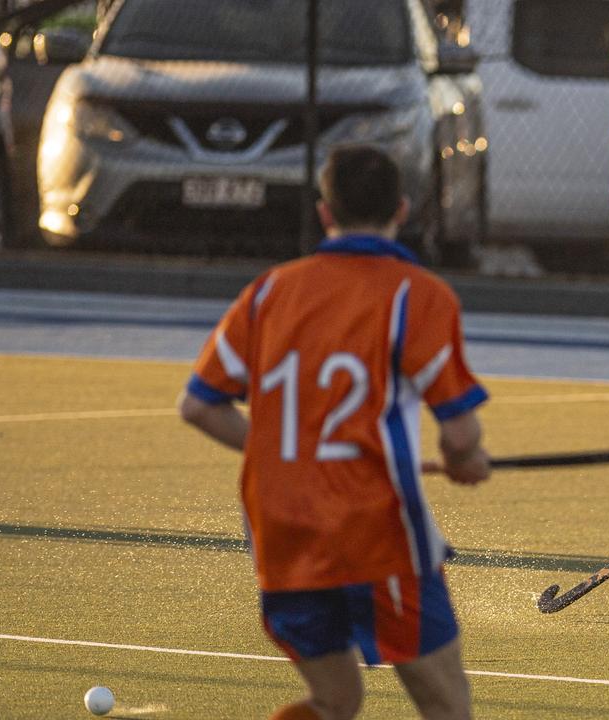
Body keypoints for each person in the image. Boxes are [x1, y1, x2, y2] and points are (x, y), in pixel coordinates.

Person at [179, 144, 490, 720]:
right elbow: (461, 433)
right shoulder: (416, 295)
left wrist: (284, 451)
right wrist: (468, 459)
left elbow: (199, 406)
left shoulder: (269, 292)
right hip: (374, 533)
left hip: (282, 532)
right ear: (402, 209)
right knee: (449, 706)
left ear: (326, 212)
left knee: (335, 700)